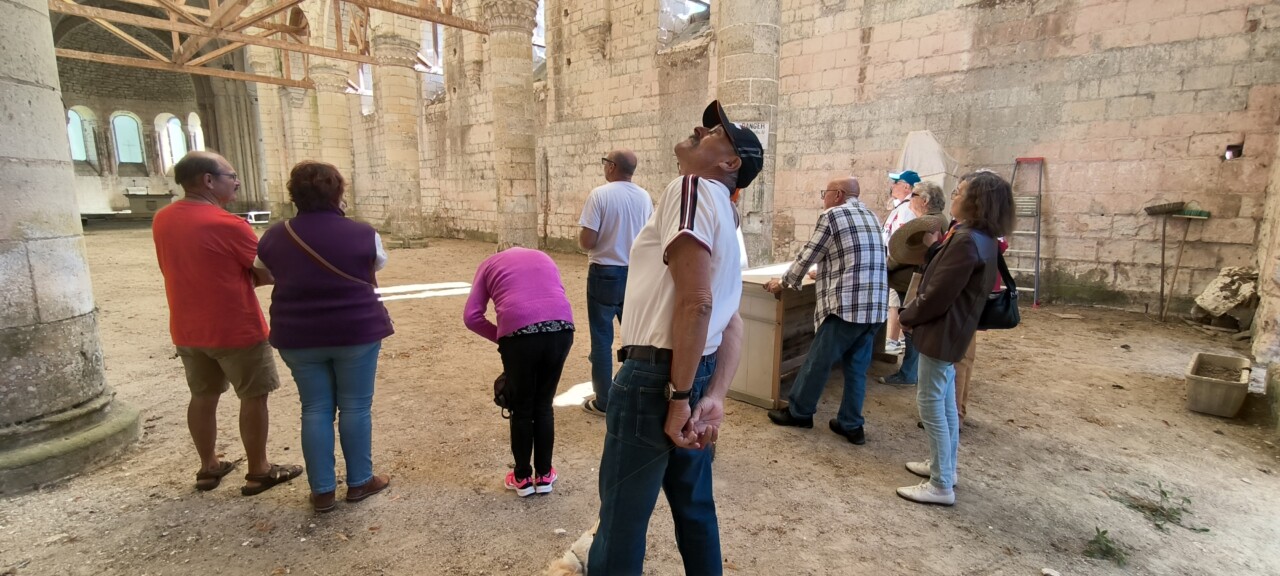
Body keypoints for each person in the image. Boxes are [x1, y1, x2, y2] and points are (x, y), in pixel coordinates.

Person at [588, 100, 761, 575]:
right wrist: (714, 395)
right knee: (695, 508)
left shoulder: (691, 187)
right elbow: (731, 318)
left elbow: (699, 303)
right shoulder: (728, 216)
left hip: (658, 377)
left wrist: (679, 397)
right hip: (693, 371)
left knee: (622, 521)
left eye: (715, 133)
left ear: (730, 163)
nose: (700, 130)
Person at [152, 151, 302, 496]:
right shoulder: (228, 224)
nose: (236, 182)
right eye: (231, 176)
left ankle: (208, 467)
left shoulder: (163, 218)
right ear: (208, 180)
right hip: (235, 326)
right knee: (254, 396)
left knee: (202, 396)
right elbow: (268, 272)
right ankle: (259, 470)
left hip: (187, 327)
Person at [256, 161, 394, 512]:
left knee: (314, 408)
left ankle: (322, 491)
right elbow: (375, 267)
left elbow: (265, 273)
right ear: (338, 192)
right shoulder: (363, 233)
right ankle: (360, 481)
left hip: (298, 333)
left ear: (294, 194)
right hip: (356, 330)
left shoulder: (275, 235)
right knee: (355, 406)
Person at [896, 171, 1013, 506]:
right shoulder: (980, 237)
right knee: (945, 401)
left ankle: (940, 484)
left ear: (977, 201)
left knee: (931, 403)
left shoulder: (966, 240)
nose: (955, 196)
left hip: (943, 330)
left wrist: (908, 317)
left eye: (960, 192)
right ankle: (943, 467)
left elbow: (937, 294)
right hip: (955, 329)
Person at [763, 177, 887, 445]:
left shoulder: (833, 216)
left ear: (838, 194)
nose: (824, 198)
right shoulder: (871, 216)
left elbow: (808, 254)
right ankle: (851, 425)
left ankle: (799, 413)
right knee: (856, 368)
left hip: (846, 307)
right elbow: (857, 257)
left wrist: (782, 283)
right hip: (874, 307)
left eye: (825, 193)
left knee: (817, 363)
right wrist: (826, 270)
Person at [463, 247, 574, 497]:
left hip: (518, 332)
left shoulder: (489, 263)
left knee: (522, 407)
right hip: (562, 327)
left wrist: (503, 338)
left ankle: (522, 478)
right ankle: (544, 475)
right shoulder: (545, 257)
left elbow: (471, 317)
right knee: (543, 404)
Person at [578, 149, 653, 416]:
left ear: (611, 166)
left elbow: (588, 241)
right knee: (635, 338)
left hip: (605, 273)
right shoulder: (644, 197)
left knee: (601, 339)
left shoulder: (600, 195)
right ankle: (633, 394)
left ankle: (604, 401)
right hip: (636, 273)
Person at [881, 180, 948, 386]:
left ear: (925, 201)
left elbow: (906, 255)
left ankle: (908, 373)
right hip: (912, 281)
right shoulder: (938, 220)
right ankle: (912, 371)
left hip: (912, 283)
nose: (910, 199)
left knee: (911, 326)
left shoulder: (928, 224)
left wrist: (884, 267)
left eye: (914, 195)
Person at [882, 169, 920, 353]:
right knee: (894, 302)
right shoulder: (902, 207)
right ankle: (898, 338)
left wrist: (891, 262)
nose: (892, 186)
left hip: (897, 263)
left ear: (906, 187)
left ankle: (893, 339)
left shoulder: (906, 210)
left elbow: (903, 240)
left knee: (895, 303)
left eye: (896, 183)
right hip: (894, 260)